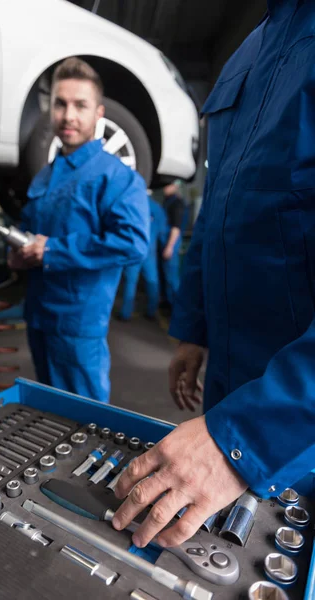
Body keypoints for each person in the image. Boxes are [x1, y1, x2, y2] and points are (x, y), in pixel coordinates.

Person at [112, 0, 315, 549]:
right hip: (229, 380)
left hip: (298, 412)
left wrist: (245, 436)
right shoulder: (246, 55)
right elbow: (219, 211)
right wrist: (195, 328)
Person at [8, 57, 149, 404]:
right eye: (60, 103)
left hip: (78, 327)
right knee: (50, 419)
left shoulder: (117, 177)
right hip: (39, 317)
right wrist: (19, 253)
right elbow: (33, 230)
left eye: (80, 105)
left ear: (98, 113)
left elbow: (133, 243)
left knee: (88, 426)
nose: (69, 115)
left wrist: (52, 250)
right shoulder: (45, 175)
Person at [118, 196, 167, 321]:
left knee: (130, 281)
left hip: (133, 248)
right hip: (150, 250)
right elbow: (162, 231)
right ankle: (151, 312)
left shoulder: (132, 202)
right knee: (152, 281)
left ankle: (125, 313)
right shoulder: (157, 208)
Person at [160, 181, 185, 306]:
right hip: (165, 241)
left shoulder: (177, 203)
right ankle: (169, 302)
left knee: (172, 276)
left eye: (168, 184)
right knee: (167, 275)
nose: (165, 187)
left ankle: (177, 306)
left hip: (171, 242)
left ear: (175, 186)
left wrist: (169, 247)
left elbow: (176, 228)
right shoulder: (167, 200)